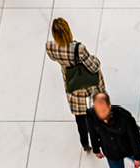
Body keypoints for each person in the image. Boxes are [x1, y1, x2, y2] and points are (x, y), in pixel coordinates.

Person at [45, 17, 106, 154]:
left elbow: (54, 58)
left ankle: (85, 143)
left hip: (72, 83)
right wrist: (96, 58)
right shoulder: (79, 48)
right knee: (98, 107)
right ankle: (102, 135)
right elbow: (94, 66)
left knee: (80, 116)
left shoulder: (50, 46)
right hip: (88, 84)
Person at [86, 93, 140, 168]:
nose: (100, 114)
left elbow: (134, 138)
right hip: (111, 152)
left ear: (109, 106)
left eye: (103, 110)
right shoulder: (90, 116)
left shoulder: (125, 117)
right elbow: (93, 133)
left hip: (128, 148)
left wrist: (138, 157)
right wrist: (96, 149)